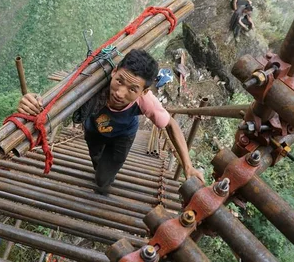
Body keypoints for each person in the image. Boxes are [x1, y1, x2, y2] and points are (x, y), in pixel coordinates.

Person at [18, 49, 204, 195]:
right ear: (114, 72)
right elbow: (60, 97)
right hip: (93, 130)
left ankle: (103, 183)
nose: (120, 93)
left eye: (132, 89)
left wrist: (187, 165)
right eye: (119, 81)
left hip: (122, 137)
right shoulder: (94, 83)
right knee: (96, 159)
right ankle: (100, 166)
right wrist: (34, 101)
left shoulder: (147, 101)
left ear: (144, 91)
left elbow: (171, 124)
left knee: (102, 180)